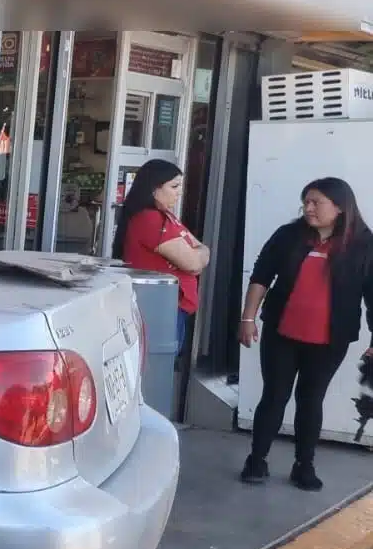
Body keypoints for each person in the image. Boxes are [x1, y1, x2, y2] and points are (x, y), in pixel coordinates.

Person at [240, 177, 373, 490]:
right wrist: (247, 318)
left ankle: (304, 465)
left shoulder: (363, 244)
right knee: (274, 395)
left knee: (311, 399)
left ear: (340, 207)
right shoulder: (289, 235)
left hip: (330, 339)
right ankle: (257, 459)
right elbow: (261, 275)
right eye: (306, 201)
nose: (308, 208)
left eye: (316, 202)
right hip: (281, 332)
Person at [111, 159, 210, 352]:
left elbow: (201, 251)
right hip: (159, 309)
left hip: (169, 307)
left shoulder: (167, 216)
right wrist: (198, 256)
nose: (179, 192)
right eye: (174, 186)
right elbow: (192, 262)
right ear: (154, 189)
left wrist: (198, 255)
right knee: (158, 369)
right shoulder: (150, 219)